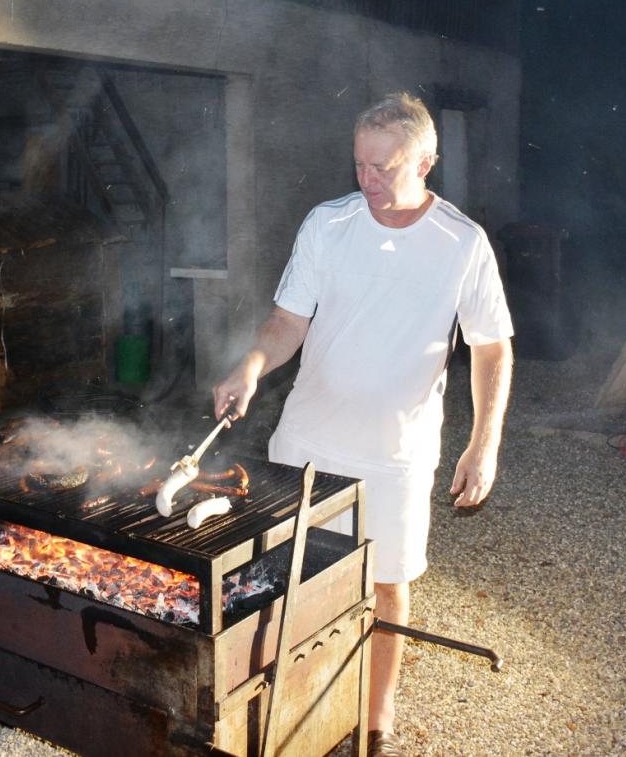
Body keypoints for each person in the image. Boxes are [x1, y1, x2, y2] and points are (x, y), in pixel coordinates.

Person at [212, 92, 513, 756]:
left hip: (395, 451)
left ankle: (375, 724)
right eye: (359, 165)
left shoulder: (461, 242)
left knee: (385, 586)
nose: (368, 181)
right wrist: (251, 366)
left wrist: (484, 443)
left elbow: (492, 346)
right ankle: (279, 711)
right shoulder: (328, 224)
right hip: (307, 441)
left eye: (385, 166)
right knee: (283, 578)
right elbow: (287, 321)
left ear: (427, 161)